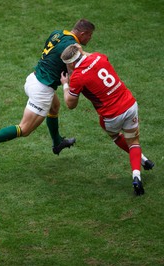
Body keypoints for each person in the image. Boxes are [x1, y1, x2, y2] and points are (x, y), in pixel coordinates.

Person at [0, 19, 95, 155]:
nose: (90, 38)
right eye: (90, 35)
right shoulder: (72, 47)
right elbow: (82, 60)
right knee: (24, 129)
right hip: (42, 89)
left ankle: (57, 142)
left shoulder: (58, 33)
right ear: (83, 33)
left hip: (33, 78)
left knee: (54, 106)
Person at [60, 44, 154, 195]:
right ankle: (137, 173)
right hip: (130, 105)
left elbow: (71, 104)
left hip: (112, 116)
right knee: (134, 142)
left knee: (116, 136)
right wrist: (82, 53)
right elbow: (90, 60)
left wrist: (65, 85)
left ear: (70, 63)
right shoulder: (99, 56)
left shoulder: (77, 77)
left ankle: (142, 159)